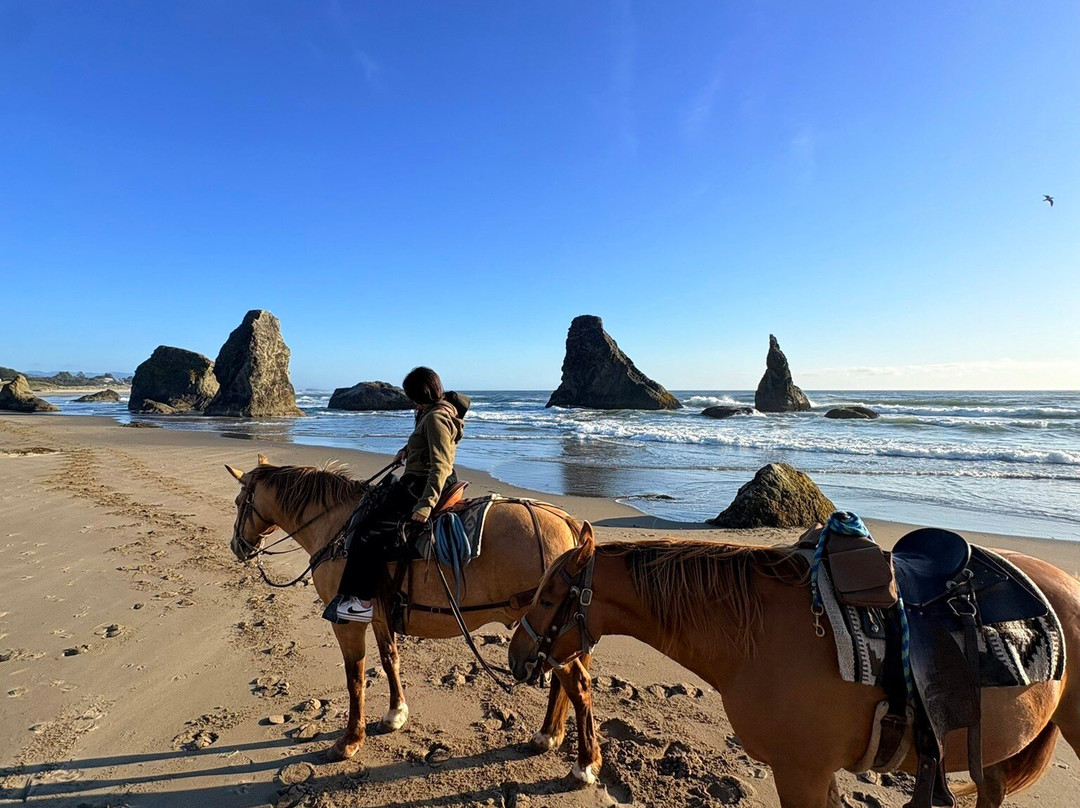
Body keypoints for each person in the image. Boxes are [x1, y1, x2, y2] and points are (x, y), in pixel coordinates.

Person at [324, 367, 470, 623]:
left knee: (368, 531)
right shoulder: (433, 411)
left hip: (423, 485)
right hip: (418, 478)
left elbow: (441, 466)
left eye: (412, 396)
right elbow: (427, 442)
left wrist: (425, 505)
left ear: (420, 394)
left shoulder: (436, 418)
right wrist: (407, 450)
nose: (411, 401)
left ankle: (363, 603)